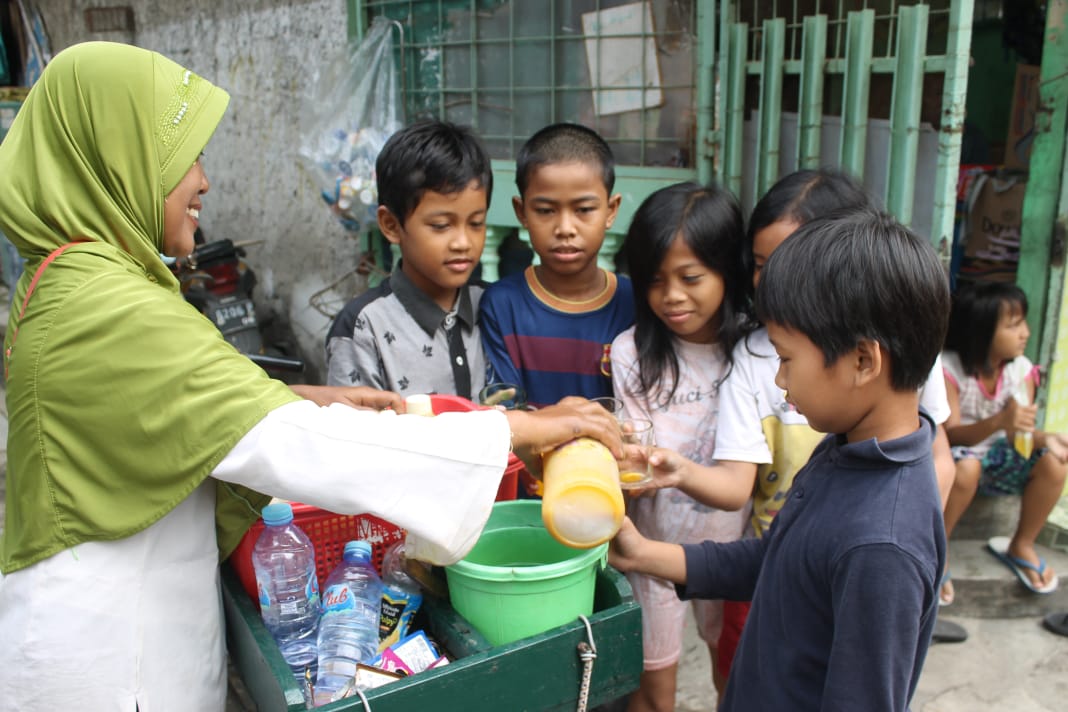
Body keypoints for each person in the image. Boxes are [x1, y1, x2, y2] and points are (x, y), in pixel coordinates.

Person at [0, 42, 623, 710]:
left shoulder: (84, 283)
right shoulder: (105, 305)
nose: (204, 181)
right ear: (116, 159)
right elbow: (288, 443)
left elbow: (167, 408)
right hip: (112, 661)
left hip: (133, 632)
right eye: (184, 157)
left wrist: (301, 396)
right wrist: (510, 429)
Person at [609, 208, 951, 712]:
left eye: (786, 359)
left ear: (862, 361)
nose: (780, 381)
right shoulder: (847, 450)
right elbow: (780, 560)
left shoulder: (883, 546)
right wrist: (642, 553)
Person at [608, 182, 756, 711]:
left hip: (733, 550)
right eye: (654, 280)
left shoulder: (757, 351)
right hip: (653, 548)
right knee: (653, 693)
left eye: (690, 278)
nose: (671, 295)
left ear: (727, 270)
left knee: (735, 674)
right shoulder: (633, 353)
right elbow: (634, 449)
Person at [325, 119, 492, 400]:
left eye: (476, 223)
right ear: (391, 225)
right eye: (441, 226)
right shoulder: (365, 328)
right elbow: (353, 437)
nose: (463, 242)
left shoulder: (492, 305)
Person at [479, 122, 635, 410]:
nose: (565, 228)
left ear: (611, 211)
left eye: (584, 210)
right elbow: (505, 413)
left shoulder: (634, 303)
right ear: (521, 211)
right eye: (546, 211)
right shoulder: (502, 305)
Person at [941, 281, 1067, 595]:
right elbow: (951, 435)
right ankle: (937, 552)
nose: (1025, 332)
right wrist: (999, 420)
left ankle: (1021, 544)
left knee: (1056, 461)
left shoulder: (1022, 370)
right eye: (1013, 326)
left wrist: (1045, 438)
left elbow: (1019, 438)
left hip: (998, 460)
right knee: (967, 467)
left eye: (1023, 323)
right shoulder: (948, 369)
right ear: (980, 331)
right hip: (956, 460)